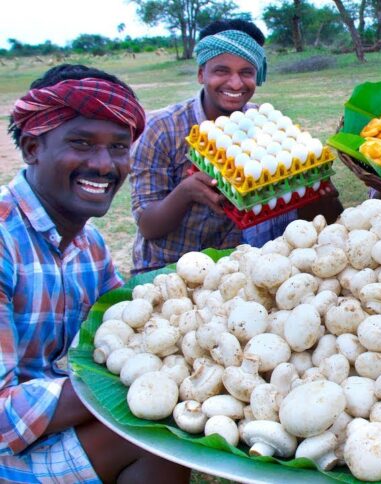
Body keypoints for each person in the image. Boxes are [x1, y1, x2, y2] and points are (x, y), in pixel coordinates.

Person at [1, 64, 189, 482]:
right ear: (32, 148)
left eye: (119, 147)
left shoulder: (91, 244)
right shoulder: (3, 241)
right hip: (6, 446)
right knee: (151, 433)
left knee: (155, 422)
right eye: (82, 143)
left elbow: (132, 327)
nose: (104, 165)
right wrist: (139, 379)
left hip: (47, 422)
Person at [130, 19, 343, 274]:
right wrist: (186, 191)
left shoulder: (267, 125)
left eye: (246, 72)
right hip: (172, 268)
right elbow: (148, 225)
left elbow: (312, 211)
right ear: (201, 74)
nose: (235, 84)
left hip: (242, 264)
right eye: (221, 71)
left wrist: (312, 189)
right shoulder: (163, 129)